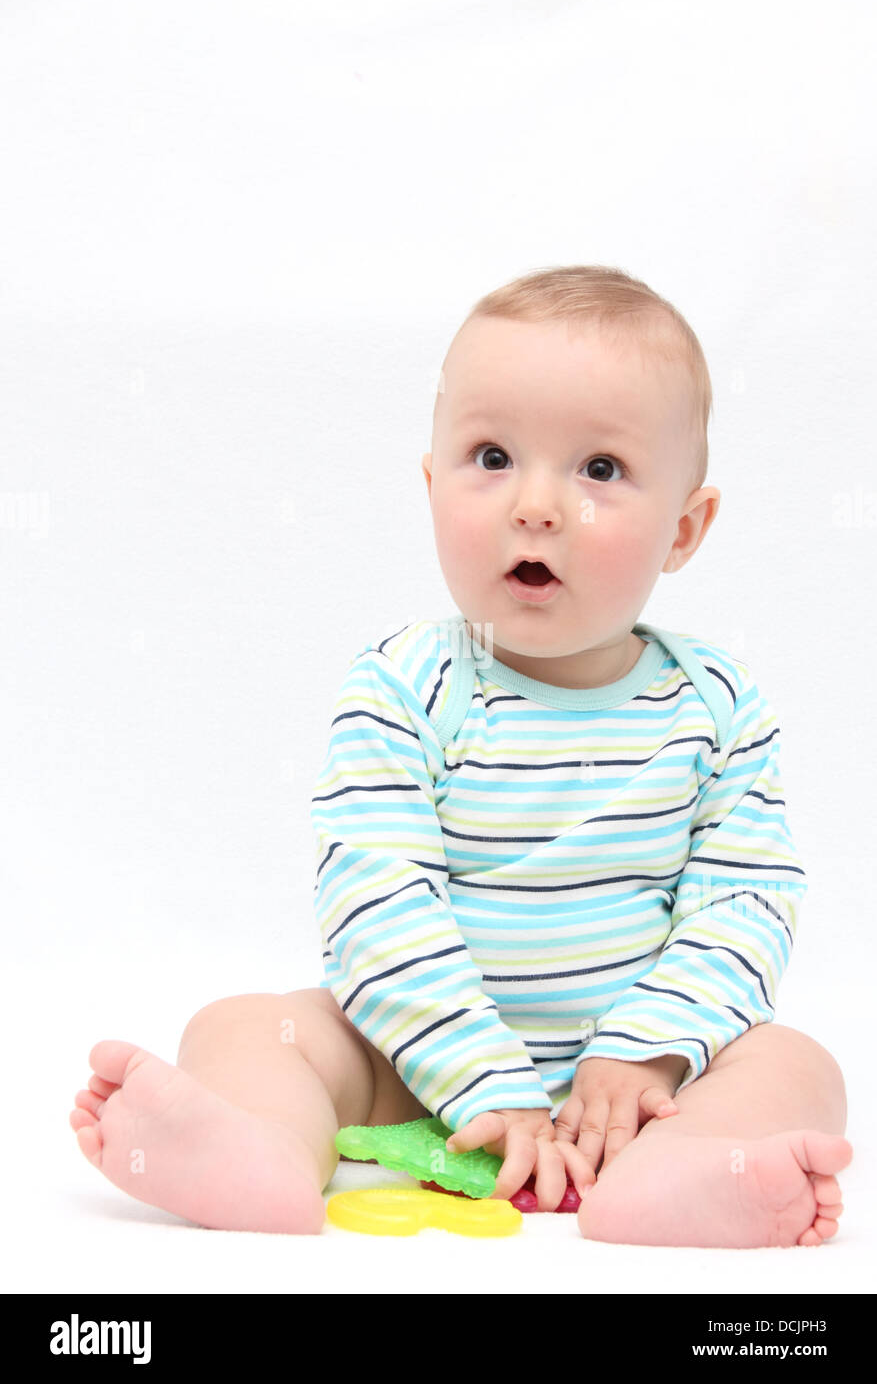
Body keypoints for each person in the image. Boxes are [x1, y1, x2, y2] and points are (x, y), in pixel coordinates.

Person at [70, 265, 851, 1246]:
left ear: (684, 528)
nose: (535, 504)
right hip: (416, 1060)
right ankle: (261, 1149)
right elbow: (377, 900)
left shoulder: (718, 705)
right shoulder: (406, 685)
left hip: (641, 1083)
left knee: (799, 1066)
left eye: (598, 469)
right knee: (247, 1026)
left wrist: (644, 1055)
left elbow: (745, 903)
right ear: (432, 483)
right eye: (491, 454)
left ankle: (687, 1173)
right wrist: (480, 1074)